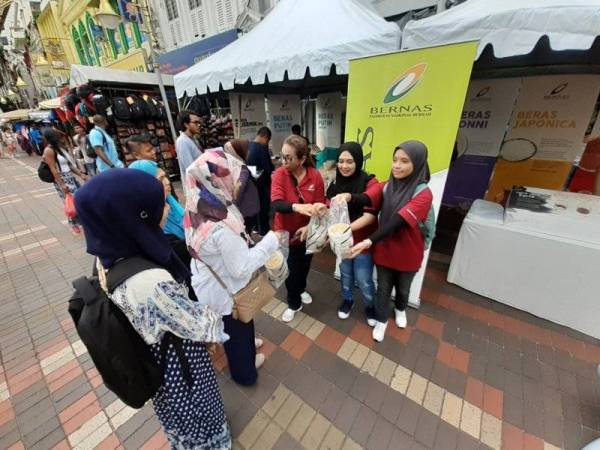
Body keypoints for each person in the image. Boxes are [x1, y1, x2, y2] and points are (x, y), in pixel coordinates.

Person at [74, 169, 231, 449]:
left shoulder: (110, 256)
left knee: (176, 418)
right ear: (136, 215)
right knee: (198, 420)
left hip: (158, 365)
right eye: (158, 204)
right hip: (181, 370)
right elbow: (203, 325)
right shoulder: (148, 281)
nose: (167, 208)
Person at [186, 149, 280, 385]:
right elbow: (241, 267)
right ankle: (245, 372)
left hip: (213, 278)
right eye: (230, 176)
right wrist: (272, 240)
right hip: (224, 288)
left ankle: (248, 346)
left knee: (241, 320)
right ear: (216, 180)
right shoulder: (219, 225)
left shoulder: (199, 203)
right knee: (236, 327)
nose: (236, 183)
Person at [348, 141, 433, 342]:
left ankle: (401, 309)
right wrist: (348, 197)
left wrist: (368, 241)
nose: (397, 165)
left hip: (409, 252)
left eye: (404, 161)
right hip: (385, 250)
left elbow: (398, 221)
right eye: (395, 160)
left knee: (403, 289)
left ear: (418, 164)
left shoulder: (423, 193)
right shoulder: (387, 186)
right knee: (383, 289)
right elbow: (368, 197)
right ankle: (381, 320)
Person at [271, 135, 326, 322]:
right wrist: (297, 207)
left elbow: (320, 205)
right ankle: (293, 302)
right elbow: (277, 204)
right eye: (282, 156)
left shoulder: (315, 176)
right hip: (285, 233)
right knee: (290, 270)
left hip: (308, 232)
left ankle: (301, 290)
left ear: (302, 159)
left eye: (289, 158)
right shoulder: (280, 174)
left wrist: (310, 226)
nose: (284, 161)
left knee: (304, 265)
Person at [326, 142, 378, 324]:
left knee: (364, 279)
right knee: (346, 273)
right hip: (343, 242)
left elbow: (370, 216)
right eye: (340, 161)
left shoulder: (369, 181)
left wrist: (345, 229)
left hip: (363, 241)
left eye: (349, 161)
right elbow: (328, 207)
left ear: (358, 161)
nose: (344, 166)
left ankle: (370, 306)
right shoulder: (335, 182)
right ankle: (348, 300)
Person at [128, 160, 188, 267]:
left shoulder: (170, 203)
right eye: (160, 179)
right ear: (144, 186)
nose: (167, 181)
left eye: (165, 176)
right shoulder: (150, 223)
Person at [42, 128, 88, 234]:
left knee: (78, 199)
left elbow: (69, 165)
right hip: (62, 179)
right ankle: (74, 223)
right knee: (70, 202)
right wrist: (62, 184)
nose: (59, 136)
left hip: (70, 177)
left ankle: (82, 221)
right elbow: (53, 168)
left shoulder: (58, 148)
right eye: (56, 135)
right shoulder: (49, 150)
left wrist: (81, 174)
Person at [223, 139, 260, 233]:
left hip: (240, 210)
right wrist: (233, 209)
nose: (249, 152)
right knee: (246, 233)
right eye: (246, 149)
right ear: (239, 152)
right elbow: (238, 192)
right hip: (245, 210)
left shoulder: (228, 165)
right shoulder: (241, 168)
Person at [247, 127, 274, 235]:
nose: (267, 143)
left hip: (251, 183)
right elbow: (268, 168)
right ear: (265, 137)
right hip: (262, 184)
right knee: (263, 208)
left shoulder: (249, 146)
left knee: (255, 208)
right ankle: (264, 231)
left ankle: (256, 229)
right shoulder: (261, 148)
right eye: (268, 140)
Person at [175, 110, 202, 180]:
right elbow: (190, 168)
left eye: (199, 122)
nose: (199, 125)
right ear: (186, 124)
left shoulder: (193, 139)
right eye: (195, 122)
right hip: (194, 185)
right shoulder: (182, 141)